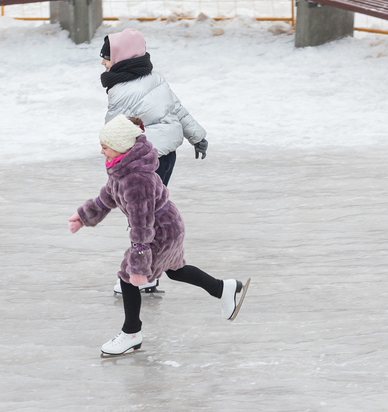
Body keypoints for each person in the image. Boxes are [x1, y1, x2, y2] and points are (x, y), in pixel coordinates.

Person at [68, 115, 249, 356]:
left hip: (160, 231)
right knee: (175, 270)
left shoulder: (136, 179)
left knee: (127, 276)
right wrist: (83, 216)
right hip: (167, 225)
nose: (101, 152)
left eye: (105, 147)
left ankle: (131, 334)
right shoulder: (121, 170)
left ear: (121, 147)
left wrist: (139, 264)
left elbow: (141, 225)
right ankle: (222, 288)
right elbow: (107, 198)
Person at [100, 28, 209, 295]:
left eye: (106, 57)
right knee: (153, 212)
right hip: (167, 155)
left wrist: (114, 165)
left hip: (143, 160)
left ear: (120, 58)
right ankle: (149, 272)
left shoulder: (121, 89)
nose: (102, 63)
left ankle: (143, 273)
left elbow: (114, 130)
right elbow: (178, 109)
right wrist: (198, 137)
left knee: (141, 216)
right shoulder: (154, 78)